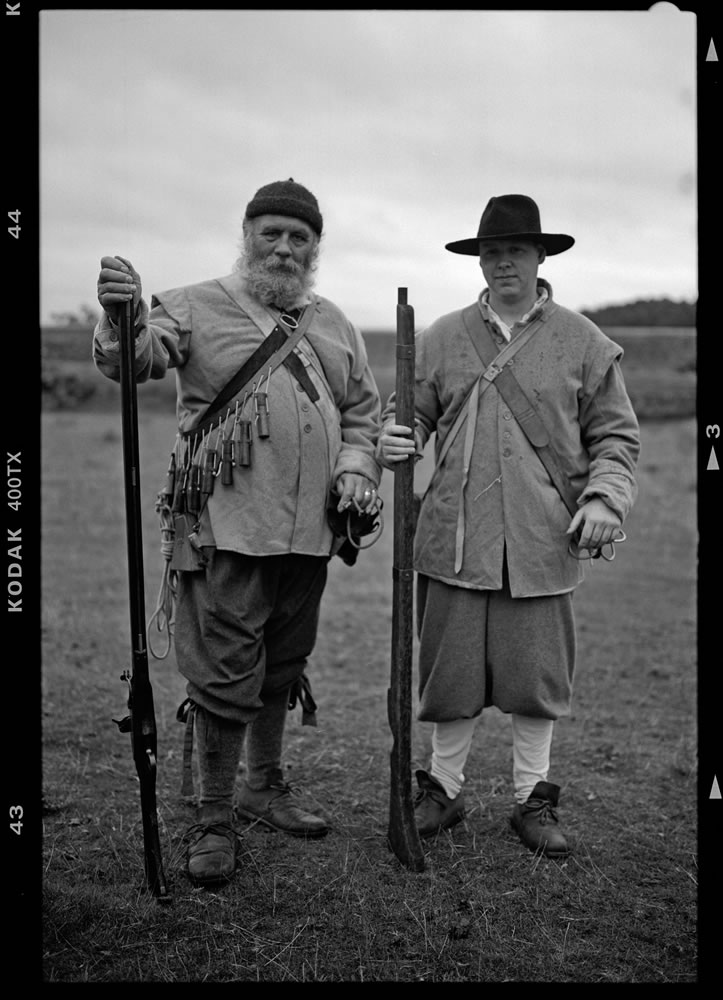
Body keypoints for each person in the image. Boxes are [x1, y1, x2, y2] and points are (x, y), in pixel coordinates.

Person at [94, 178, 382, 885]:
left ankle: (262, 786)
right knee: (224, 675)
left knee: (282, 664)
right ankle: (212, 816)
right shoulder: (192, 304)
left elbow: (362, 415)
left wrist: (355, 469)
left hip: (310, 534)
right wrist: (119, 317)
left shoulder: (336, 324)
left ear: (314, 248)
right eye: (270, 233)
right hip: (226, 527)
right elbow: (135, 359)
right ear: (247, 236)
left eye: (298, 237)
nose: (283, 248)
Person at [378, 193, 639, 857]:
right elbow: (410, 414)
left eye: (515, 251)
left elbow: (615, 438)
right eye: (491, 252)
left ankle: (532, 801)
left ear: (539, 256)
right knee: (451, 678)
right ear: (479, 261)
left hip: (543, 537)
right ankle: (442, 789)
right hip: (453, 536)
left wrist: (604, 501)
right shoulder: (439, 337)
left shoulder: (584, 342)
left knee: (535, 680)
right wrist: (397, 435)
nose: (503, 263)